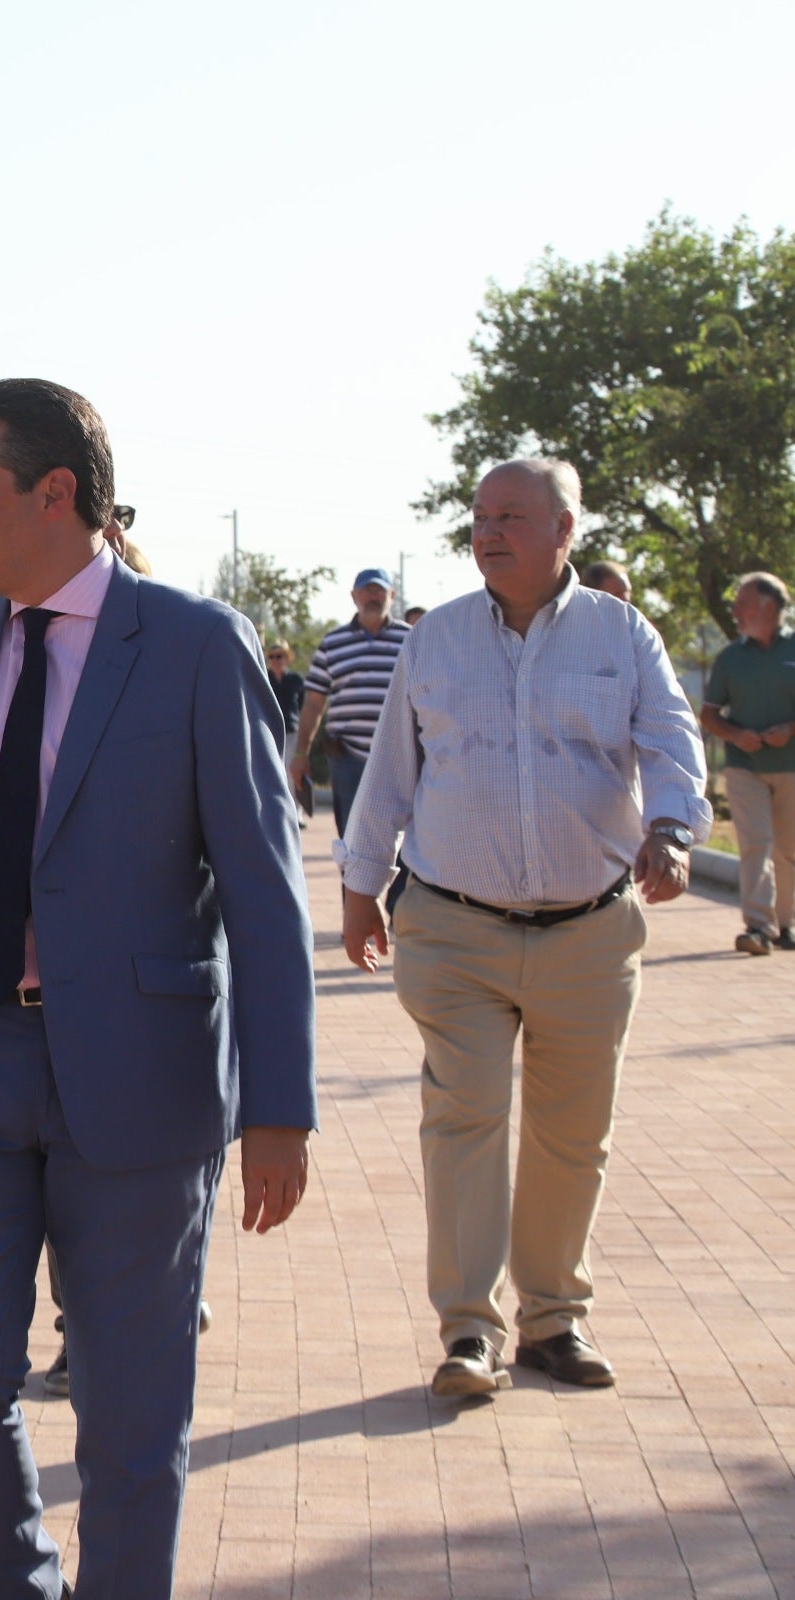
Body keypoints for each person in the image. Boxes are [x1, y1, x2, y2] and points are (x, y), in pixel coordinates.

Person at [0, 379, 316, 1597]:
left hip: (145, 1074)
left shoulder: (191, 644)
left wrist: (281, 1106)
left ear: (54, 494)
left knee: (130, 1412)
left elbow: (267, 892)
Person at [339, 459, 707, 1400]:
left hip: (589, 928)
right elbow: (390, 771)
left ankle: (553, 1320)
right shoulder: (439, 640)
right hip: (454, 926)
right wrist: (359, 883)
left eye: (512, 515)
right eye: (480, 516)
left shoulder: (623, 635)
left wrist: (671, 831)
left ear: (564, 528)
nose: (489, 530)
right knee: (463, 1119)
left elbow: (671, 743)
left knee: (571, 1132)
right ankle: (468, 1331)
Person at [698, 571, 795, 955]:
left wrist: (788, 729)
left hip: (790, 765)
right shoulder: (730, 657)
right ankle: (757, 927)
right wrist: (737, 735)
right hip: (743, 765)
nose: (735, 610)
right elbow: (709, 714)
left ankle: (786, 924)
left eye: (742, 603)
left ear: (767, 607)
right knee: (756, 842)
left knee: (788, 847)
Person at [289, 568, 409, 837]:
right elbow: (313, 704)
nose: (373, 596)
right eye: (366, 590)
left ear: (392, 595)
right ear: (354, 596)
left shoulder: (412, 639)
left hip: (400, 757)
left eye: (379, 590)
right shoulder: (333, 643)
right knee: (352, 841)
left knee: (404, 845)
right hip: (348, 759)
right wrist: (300, 754)